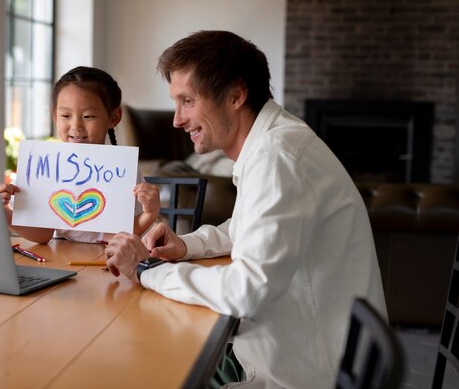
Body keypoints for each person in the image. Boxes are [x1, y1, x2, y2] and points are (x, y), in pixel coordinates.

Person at [104, 31, 387, 389]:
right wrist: (186, 246)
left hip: (305, 374)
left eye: (188, 101)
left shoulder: (275, 158)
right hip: (298, 351)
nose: (177, 119)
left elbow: (246, 291)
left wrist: (147, 269)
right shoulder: (273, 143)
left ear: (236, 95)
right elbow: (245, 227)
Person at [0, 66, 160, 244]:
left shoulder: (122, 171)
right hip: (58, 259)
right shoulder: (43, 167)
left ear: (114, 117)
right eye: (65, 115)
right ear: (55, 115)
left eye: (88, 116)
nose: (76, 126)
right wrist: (0, 211)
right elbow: (42, 234)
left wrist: (149, 213)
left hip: (106, 262)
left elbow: (117, 236)